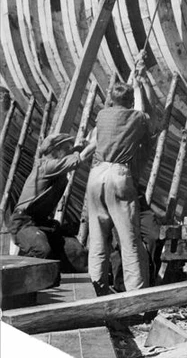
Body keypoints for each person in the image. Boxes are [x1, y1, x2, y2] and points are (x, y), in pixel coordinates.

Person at [86, 68, 157, 295]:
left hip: (96, 174)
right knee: (130, 241)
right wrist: (140, 85)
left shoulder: (102, 115)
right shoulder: (136, 118)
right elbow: (147, 115)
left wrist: (131, 81)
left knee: (97, 239)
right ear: (129, 100)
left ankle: (96, 290)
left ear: (111, 100)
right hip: (118, 175)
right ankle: (136, 295)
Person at [9, 133, 96, 271]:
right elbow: (79, 158)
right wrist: (97, 142)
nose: (70, 150)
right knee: (42, 250)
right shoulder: (46, 167)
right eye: (67, 148)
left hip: (42, 223)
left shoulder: (54, 165)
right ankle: (20, 278)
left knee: (77, 253)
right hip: (22, 223)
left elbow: (73, 155)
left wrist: (82, 146)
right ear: (56, 150)